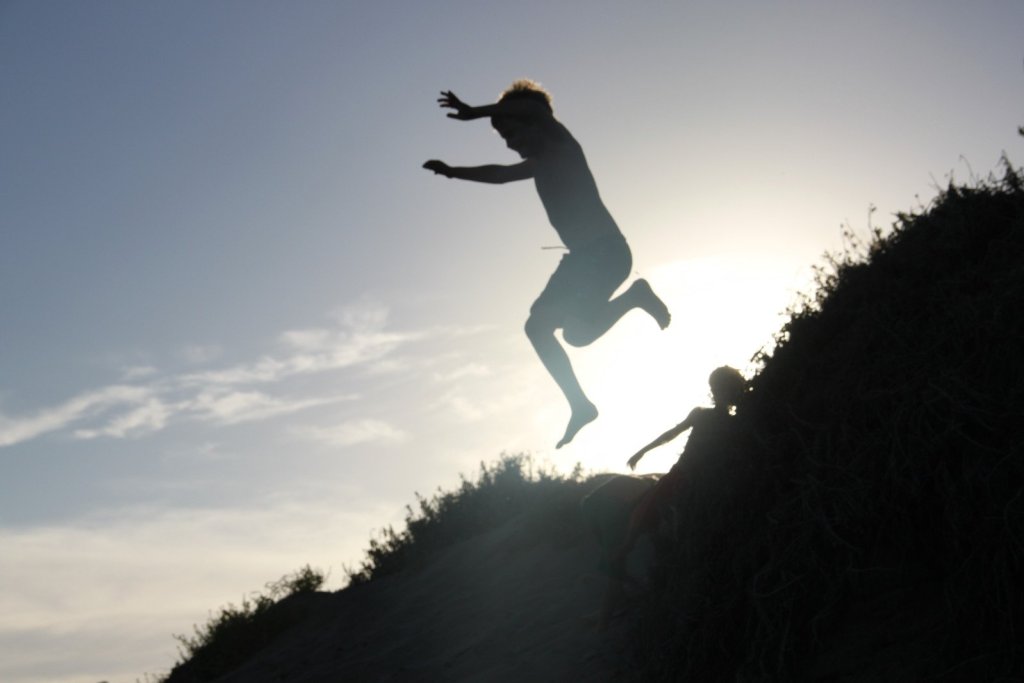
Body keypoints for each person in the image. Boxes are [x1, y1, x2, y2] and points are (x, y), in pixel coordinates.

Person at [423, 79, 671, 448]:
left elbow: (533, 108)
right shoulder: (540, 164)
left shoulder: (561, 145)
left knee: (558, 329)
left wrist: (475, 111)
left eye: (511, 133)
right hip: (585, 259)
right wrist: (452, 171)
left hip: (603, 253)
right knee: (557, 332)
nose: (509, 143)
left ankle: (634, 299)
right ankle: (582, 403)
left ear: (534, 123)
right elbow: (499, 174)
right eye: (503, 137)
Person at [586, 366, 746, 626]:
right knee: (647, 506)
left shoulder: (734, 423)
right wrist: (642, 450)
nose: (719, 393)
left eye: (724, 388)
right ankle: (627, 552)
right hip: (680, 475)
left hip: (703, 481)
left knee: (660, 514)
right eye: (716, 389)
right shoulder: (701, 414)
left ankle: (644, 567)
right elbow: (670, 434)